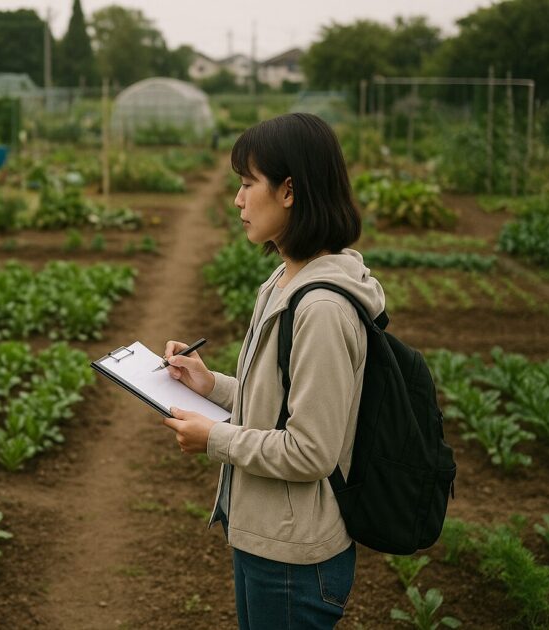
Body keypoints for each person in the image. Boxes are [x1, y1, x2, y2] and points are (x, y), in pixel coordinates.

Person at [161, 112, 385, 629]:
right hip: (266, 537)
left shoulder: (322, 308)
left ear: (289, 190)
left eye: (246, 184)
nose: (237, 200)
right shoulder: (285, 281)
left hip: (295, 559)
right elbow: (282, 402)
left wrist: (214, 438)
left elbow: (311, 449)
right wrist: (209, 384)